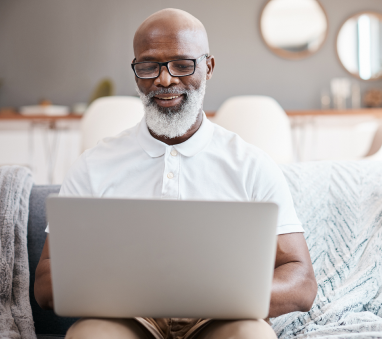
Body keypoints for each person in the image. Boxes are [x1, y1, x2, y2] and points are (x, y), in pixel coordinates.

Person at [34, 8, 317, 339]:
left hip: (222, 318)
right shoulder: (94, 164)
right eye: (149, 66)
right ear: (135, 71)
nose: (164, 79)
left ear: (208, 68)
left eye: (183, 65)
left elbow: (302, 283)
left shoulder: (251, 164)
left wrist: (215, 297)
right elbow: (45, 283)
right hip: (126, 317)